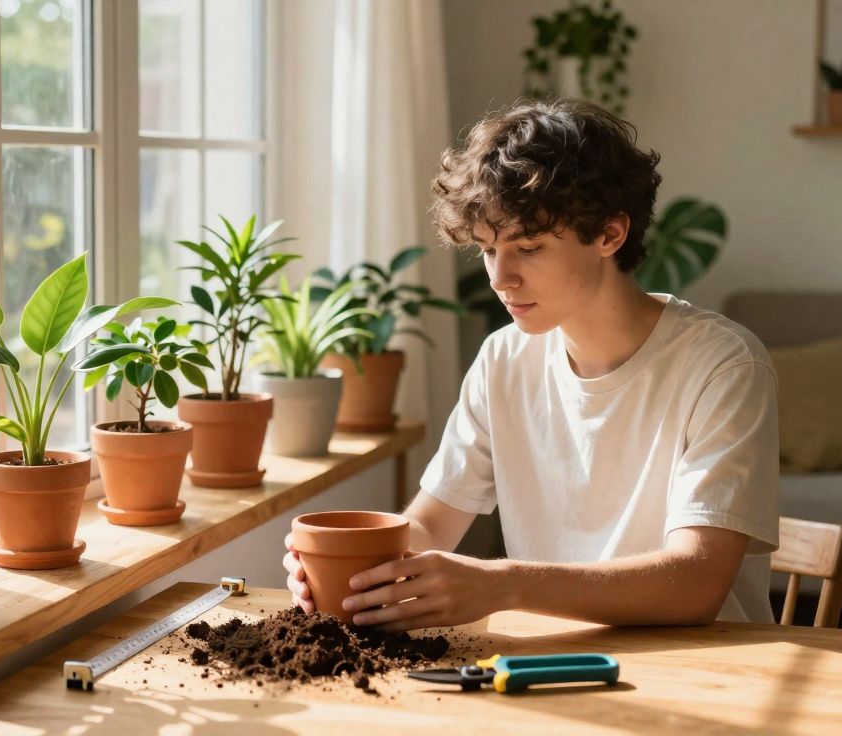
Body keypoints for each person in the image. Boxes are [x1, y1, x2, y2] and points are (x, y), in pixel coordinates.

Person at [283, 98, 780, 631]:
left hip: (707, 674)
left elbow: (697, 583)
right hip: (550, 668)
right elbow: (430, 524)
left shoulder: (723, 364)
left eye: (529, 246)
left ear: (610, 234)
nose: (500, 279)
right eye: (488, 250)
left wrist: (502, 584)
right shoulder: (504, 360)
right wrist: (352, 568)